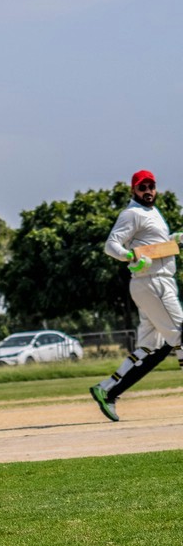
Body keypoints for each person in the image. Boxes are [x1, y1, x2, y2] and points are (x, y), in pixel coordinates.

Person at [89, 169, 183, 421]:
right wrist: (130, 256)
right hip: (154, 282)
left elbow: (153, 244)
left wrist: (173, 240)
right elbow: (111, 245)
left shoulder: (152, 212)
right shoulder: (132, 213)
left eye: (151, 186)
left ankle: (107, 389)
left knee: (152, 348)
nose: (148, 191)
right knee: (180, 337)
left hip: (155, 282)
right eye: (142, 187)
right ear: (133, 190)